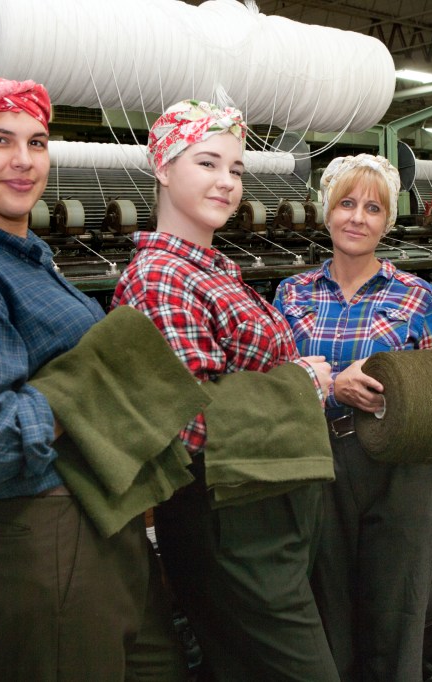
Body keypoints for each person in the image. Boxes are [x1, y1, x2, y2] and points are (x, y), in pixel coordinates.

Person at [0, 77, 185, 680]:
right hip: (46, 535)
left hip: (97, 523)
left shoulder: (25, 255)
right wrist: (93, 386)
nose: (23, 161)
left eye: (36, 143)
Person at [111, 100, 339, 682]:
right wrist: (304, 384)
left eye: (236, 170)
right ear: (162, 166)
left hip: (258, 503)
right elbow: (189, 420)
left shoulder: (211, 267)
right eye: (207, 163)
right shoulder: (163, 277)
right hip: (229, 518)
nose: (227, 183)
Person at [272, 153, 432, 681]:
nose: (357, 217)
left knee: (397, 611)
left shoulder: (415, 295)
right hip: (318, 459)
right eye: (346, 203)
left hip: (401, 467)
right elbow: (276, 386)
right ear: (326, 212)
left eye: (372, 207)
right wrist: (331, 386)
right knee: (325, 608)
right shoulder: (291, 294)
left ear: (387, 220)